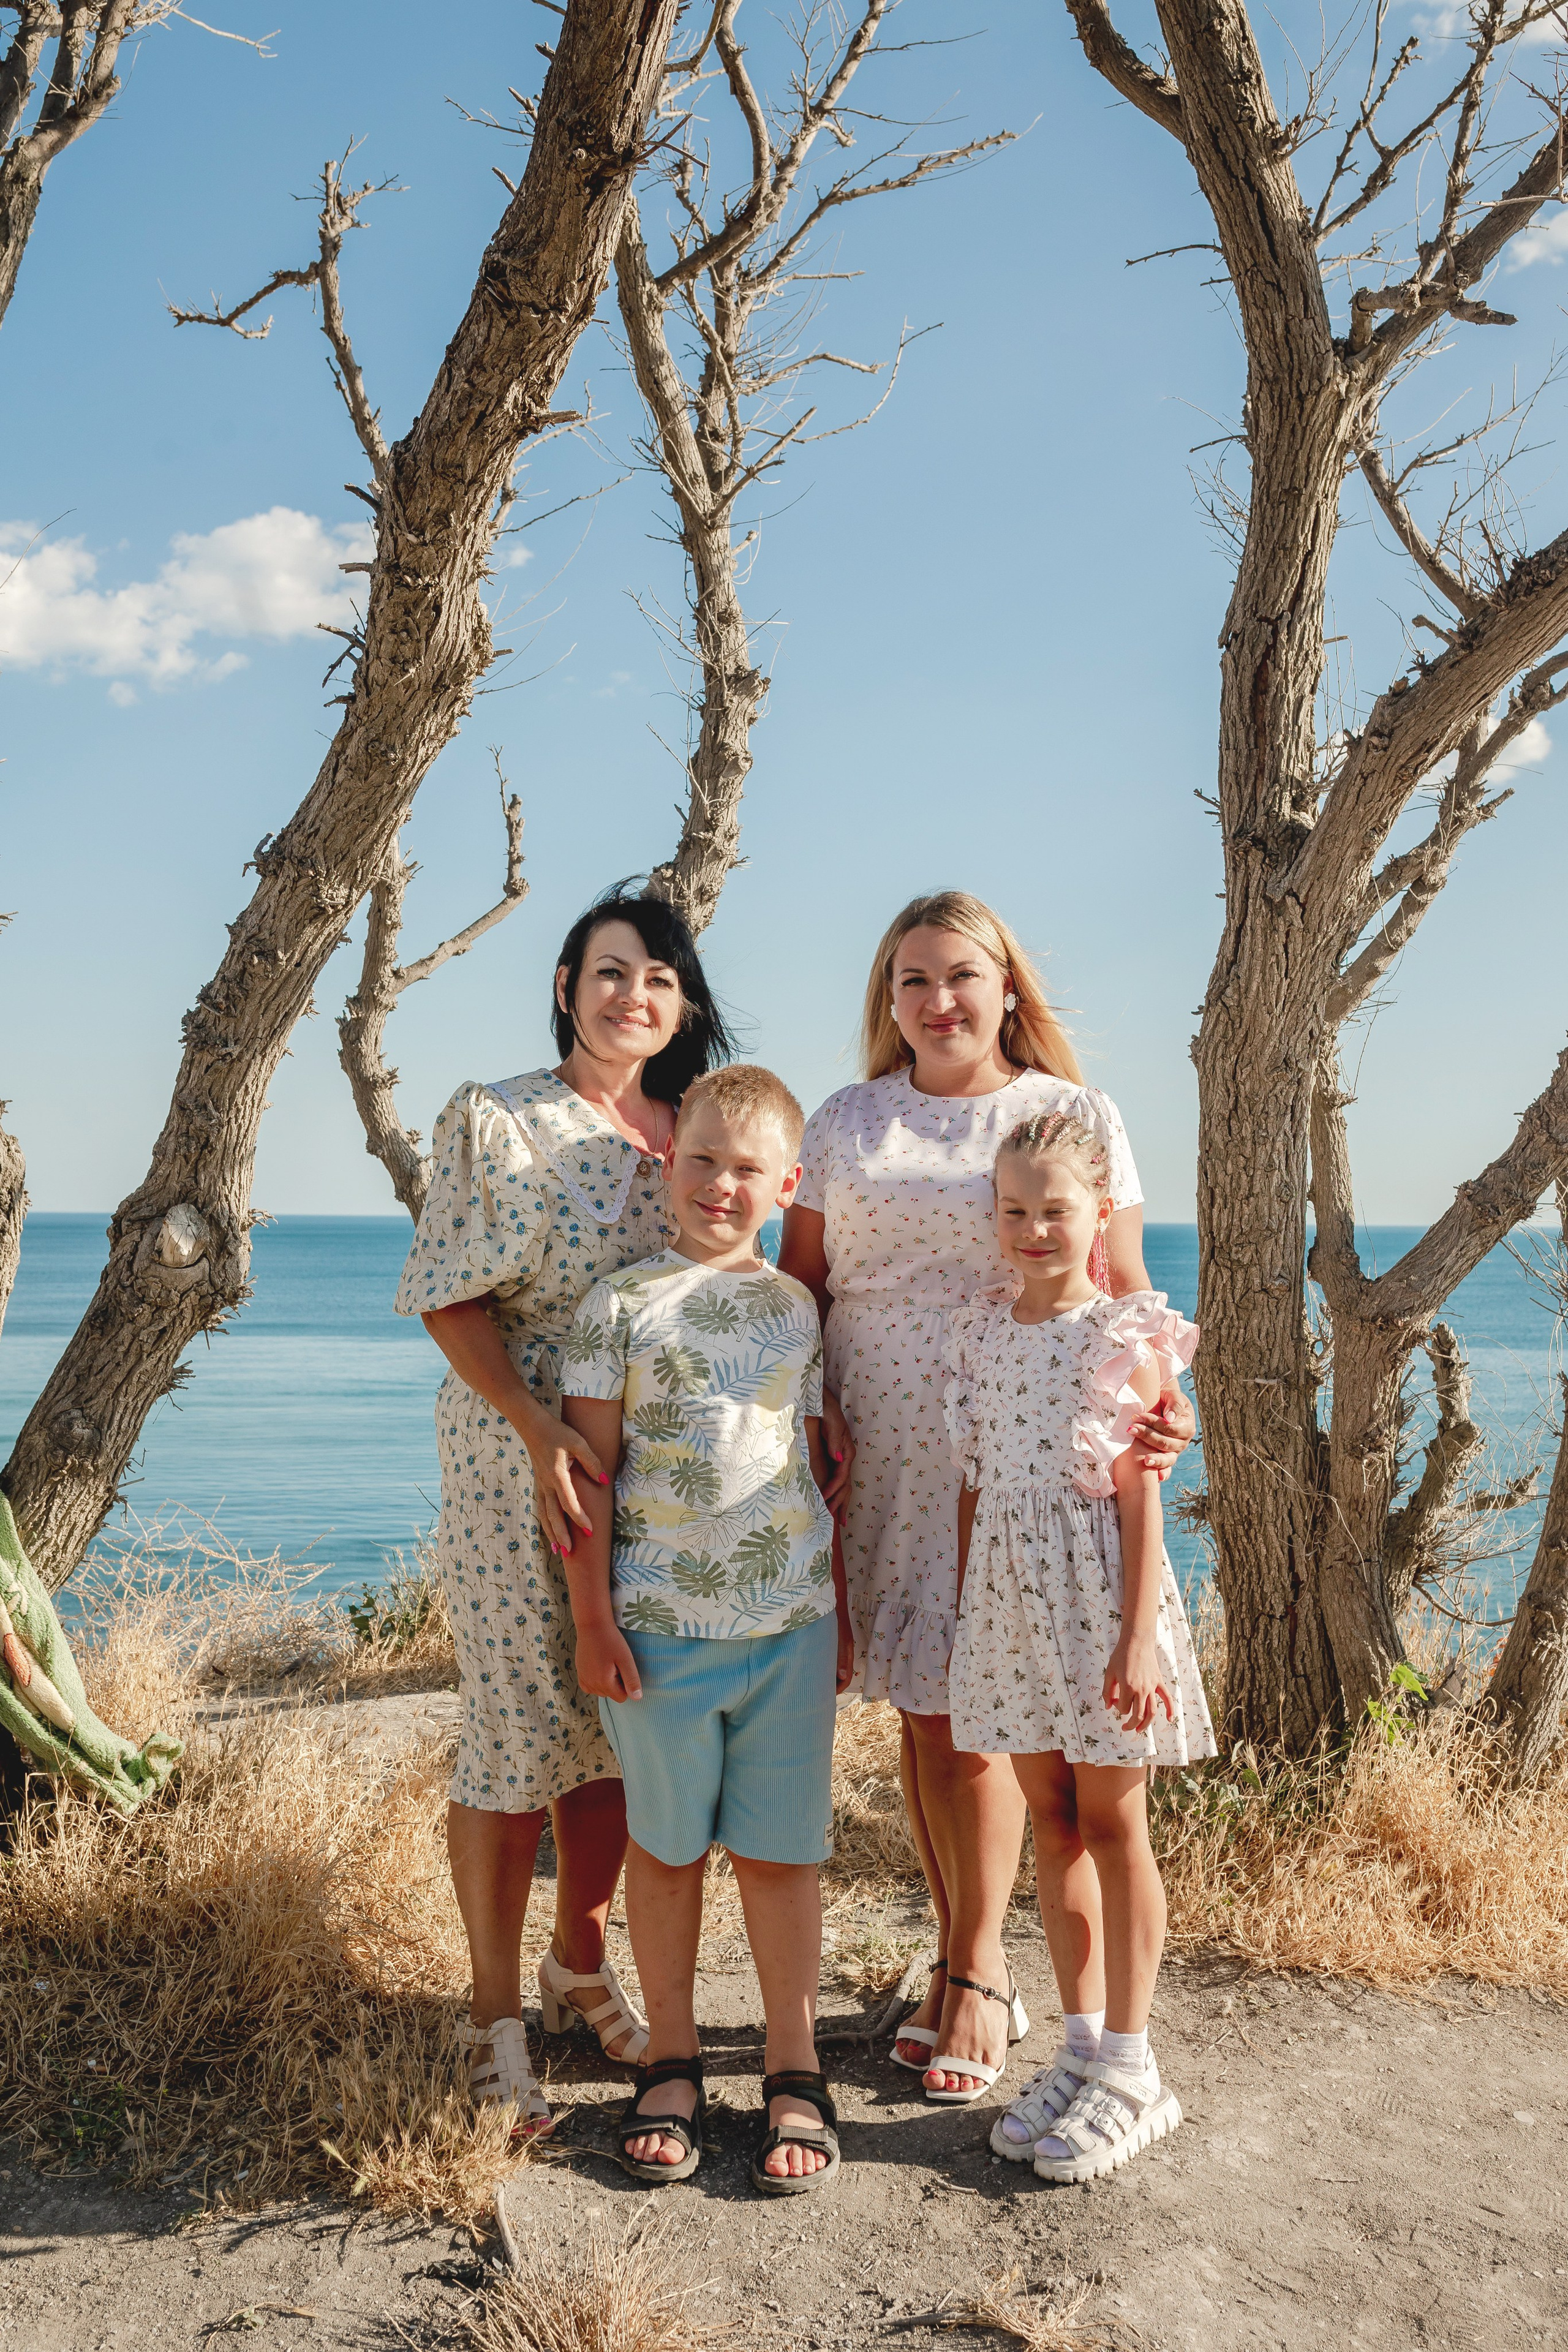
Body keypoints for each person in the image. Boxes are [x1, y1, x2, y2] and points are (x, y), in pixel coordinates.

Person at [777, 890, 1194, 2099]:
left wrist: (1164, 1409)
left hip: (1023, 1456)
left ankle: (978, 1974)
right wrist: (808, 1424)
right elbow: (797, 1285)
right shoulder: (846, 1118)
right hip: (878, 1448)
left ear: (1008, 987)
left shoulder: (1069, 1114)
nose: (938, 999)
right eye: (911, 980)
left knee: (987, 1718)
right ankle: (958, 1950)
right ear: (886, 1001)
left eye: (961, 974)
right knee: (922, 1708)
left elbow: (1123, 1287)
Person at [394, 886, 733, 2133]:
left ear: (679, 1005)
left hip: (652, 1474)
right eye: (606, 970)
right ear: (563, 984)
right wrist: (535, 1431)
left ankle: (575, 1966)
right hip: (509, 1460)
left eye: (654, 977)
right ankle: (493, 2021)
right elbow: (445, 1295)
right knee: (510, 1731)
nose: (628, 994)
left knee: (614, 1731)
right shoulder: (496, 1118)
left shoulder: (687, 1132)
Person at [559, 1065, 855, 2195]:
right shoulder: (620, 1307)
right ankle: (674, 2060)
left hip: (790, 1628)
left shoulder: (795, 1308)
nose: (721, 1186)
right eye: (702, 1162)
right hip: (659, 1632)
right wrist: (594, 1620)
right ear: (666, 1164)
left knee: (784, 1855)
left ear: (785, 1184)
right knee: (669, 1850)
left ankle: (794, 2062)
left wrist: (840, 1616)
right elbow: (590, 1480)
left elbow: (819, 1469)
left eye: (747, 1170)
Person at [943, 1109, 1213, 2175]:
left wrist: (1138, 1639)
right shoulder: (979, 1335)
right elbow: (976, 1493)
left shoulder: (1125, 1336)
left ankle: (1138, 2071)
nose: (1034, 1229)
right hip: (1009, 1613)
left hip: (1105, 1607)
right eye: (1015, 1210)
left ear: (1101, 1211)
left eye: (1056, 1209)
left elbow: (1142, 1501)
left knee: (1112, 1821)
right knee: (1050, 1822)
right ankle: (1083, 2047)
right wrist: (975, 1615)